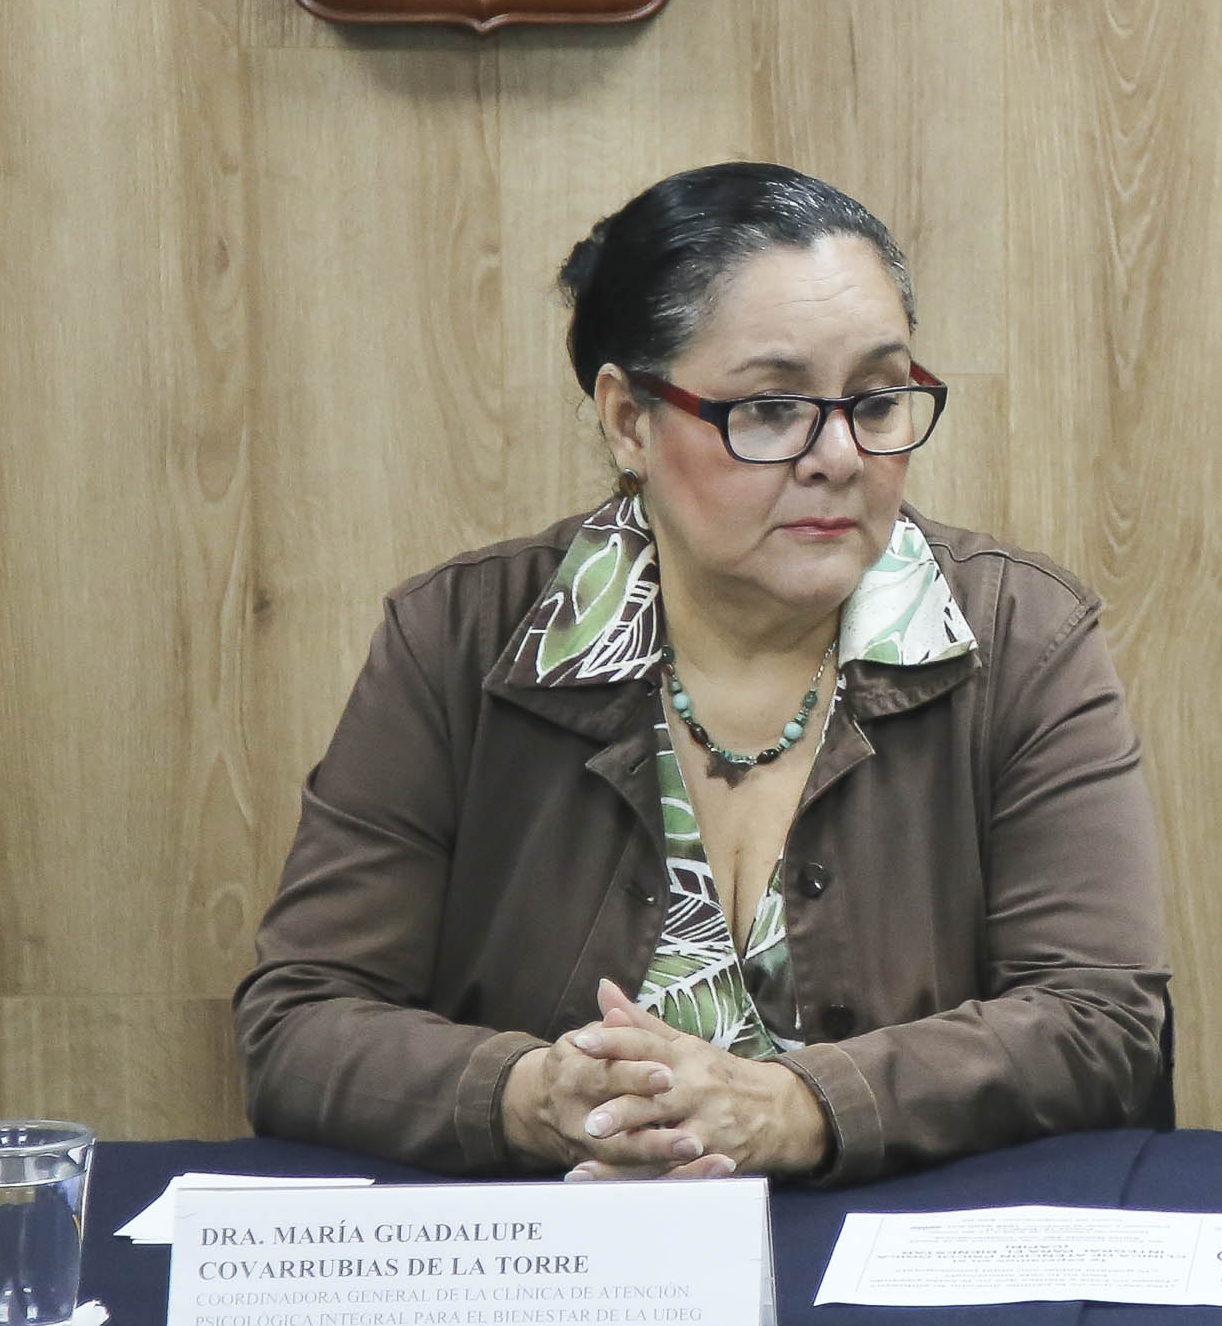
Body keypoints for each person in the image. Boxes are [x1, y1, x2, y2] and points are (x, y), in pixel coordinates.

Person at [238, 164, 1170, 1184]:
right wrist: (531, 1096)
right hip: (565, 1284)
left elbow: (1099, 1016)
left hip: (914, 1274)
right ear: (629, 420)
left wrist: (796, 1108)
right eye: (770, 408)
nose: (839, 457)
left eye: (875, 398)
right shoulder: (460, 638)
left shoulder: (1016, 633)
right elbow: (301, 1021)